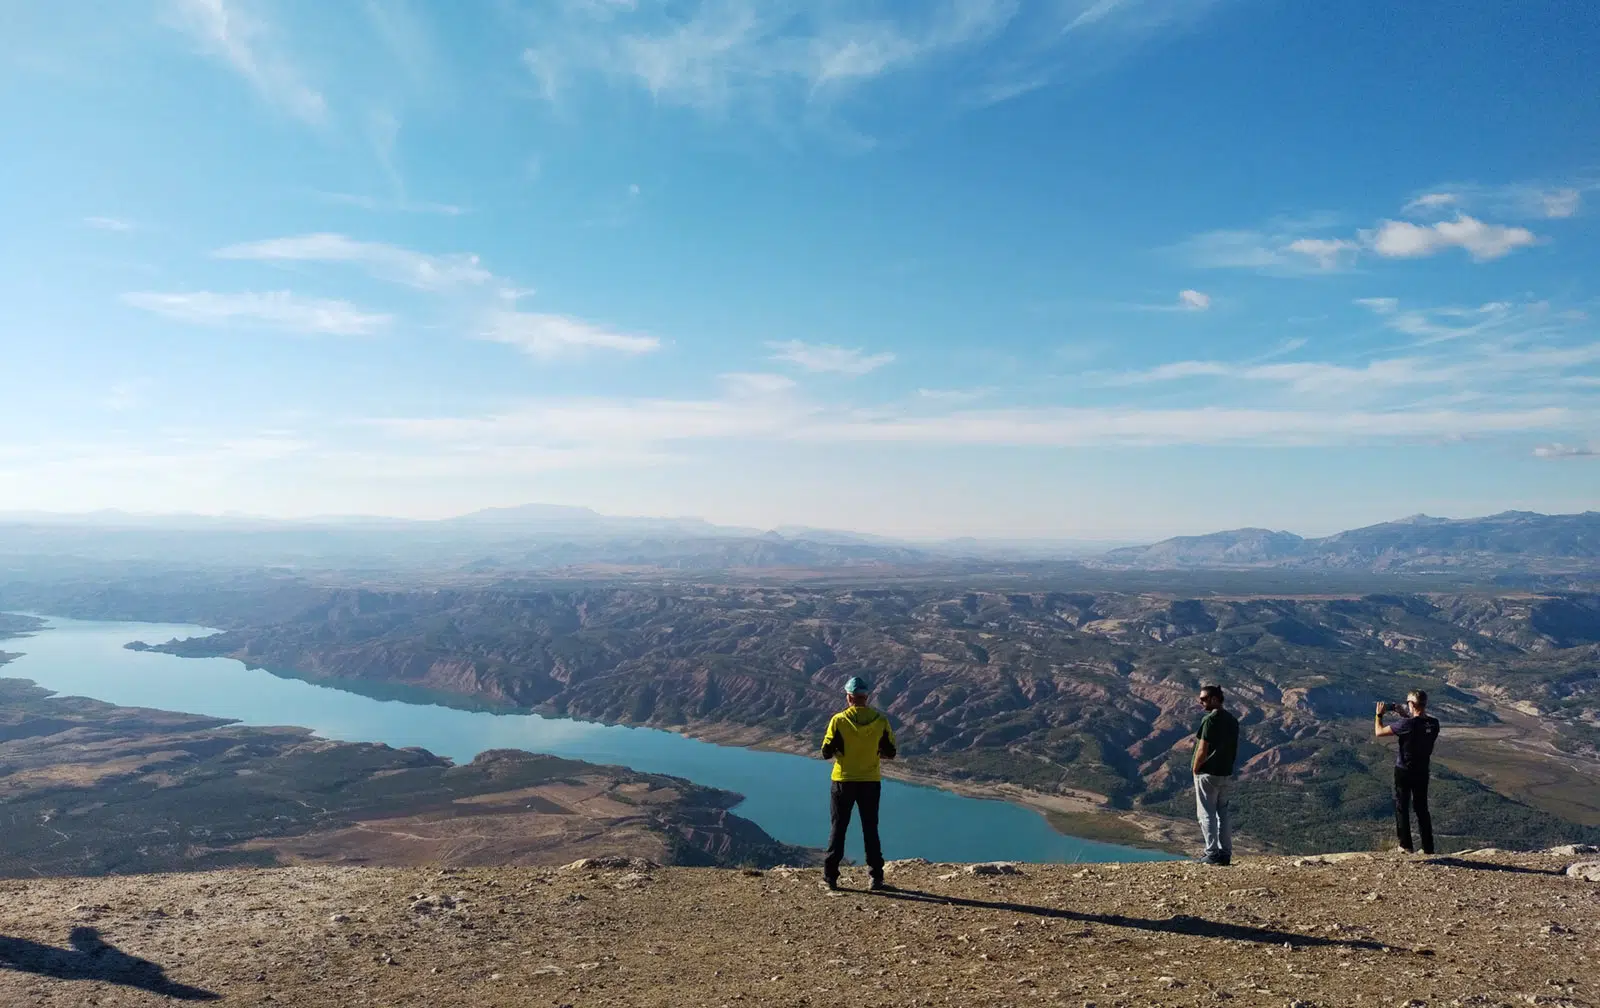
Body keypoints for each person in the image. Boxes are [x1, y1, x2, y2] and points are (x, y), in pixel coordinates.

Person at [820, 675, 898, 891]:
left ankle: (831, 877)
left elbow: (826, 752)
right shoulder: (881, 720)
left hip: (843, 781)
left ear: (849, 698)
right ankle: (876, 877)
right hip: (870, 781)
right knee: (870, 829)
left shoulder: (839, 720)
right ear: (866, 697)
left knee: (838, 828)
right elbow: (891, 752)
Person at [1375, 689, 1440, 854]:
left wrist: (1379, 715)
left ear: (1411, 704)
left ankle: (1405, 846)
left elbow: (1379, 732)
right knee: (1422, 809)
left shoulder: (1407, 724)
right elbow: (1417, 727)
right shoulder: (1434, 724)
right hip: (1422, 771)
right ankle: (1428, 848)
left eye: (1407, 701)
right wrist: (1405, 715)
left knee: (1402, 807)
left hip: (1404, 770)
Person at [1191, 684, 1240, 866]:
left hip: (1208, 772)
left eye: (1203, 699)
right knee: (1223, 813)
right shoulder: (1232, 720)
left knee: (1206, 813)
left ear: (1214, 699)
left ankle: (1211, 853)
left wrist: (1196, 768)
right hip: (1225, 772)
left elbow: (1202, 748)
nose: (1201, 702)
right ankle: (1225, 854)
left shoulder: (1210, 720)